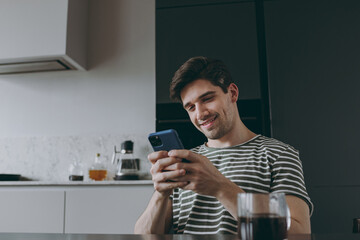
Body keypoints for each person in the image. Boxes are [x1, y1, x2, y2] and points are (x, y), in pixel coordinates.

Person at [134, 56, 313, 234]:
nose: (200, 114)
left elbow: (300, 234)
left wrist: (221, 188)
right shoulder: (183, 163)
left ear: (233, 93)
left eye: (207, 99)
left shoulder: (279, 154)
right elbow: (143, 236)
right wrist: (160, 194)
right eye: (191, 107)